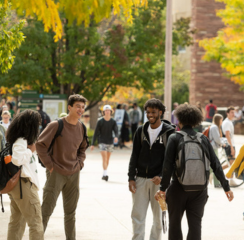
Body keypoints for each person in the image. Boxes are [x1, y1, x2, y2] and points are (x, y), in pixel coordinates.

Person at [156, 104, 233, 240]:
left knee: (175, 225)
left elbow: (167, 166)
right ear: (196, 121)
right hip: (199, 191)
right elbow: (216, 164)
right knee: (195, 226)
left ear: (179, 120)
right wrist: (226, 187)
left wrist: (162, 189)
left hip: (178, 189)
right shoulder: (203, 139)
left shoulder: (174, 138)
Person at [36, 94, 89, 239]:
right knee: (45, 211)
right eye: (78, 106)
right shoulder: (56, 125)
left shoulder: (82, 127)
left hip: (74, 174)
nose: (81, 109)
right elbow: (40, 145)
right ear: (70, 107)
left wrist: (80, 163)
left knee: (71, 214)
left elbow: (83, 148)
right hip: (56, 173)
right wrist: (50, 166)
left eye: (83, 107)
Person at [128, 98, 175, 240]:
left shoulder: (169, 133)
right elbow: (134, 155)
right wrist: (131, 177)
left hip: (159, 183)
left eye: (153, 112)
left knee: (159, 218)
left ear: (160, 112)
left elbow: (171, 160)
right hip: (141, 179)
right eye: (148, 112)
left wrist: (162, 176)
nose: (150, 115)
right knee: (137, 216)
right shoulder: (140, 131)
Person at [6, 109, 44, 240]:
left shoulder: (20, 140)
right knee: (36, 224)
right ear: (30, 125)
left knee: (17, 222)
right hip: (24, 185)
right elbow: (17, 160)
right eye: (37, 124)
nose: (38, 127)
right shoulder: (21, 141)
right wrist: (30, 150)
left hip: (20, 186)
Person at [91, 105, 118, 181]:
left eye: (108, 110)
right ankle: (105, 174)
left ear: (110, 112)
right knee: (104, 158)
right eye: (106, 110)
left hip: (110, 142)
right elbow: (96, 133)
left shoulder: (113, 121)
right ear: (103, 112)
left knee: (107, 160)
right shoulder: (100, 121)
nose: (107, 112)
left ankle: (104, 173)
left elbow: (116, 130)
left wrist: (116, 137)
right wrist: (92, 144)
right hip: (102, 141)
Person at [222, 106, 239, 186]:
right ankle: (231, 180)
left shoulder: (229, 122)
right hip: (229, 145)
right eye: (231, 112)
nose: (233, 114)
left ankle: (214, 172)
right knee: (232, 163)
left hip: (230, 144)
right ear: (227, 113)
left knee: (230, 163)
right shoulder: (227, 122)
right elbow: (227, 135)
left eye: (234, 112)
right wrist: (232, 147)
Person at [209, 114, 225, 187]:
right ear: (218, 120)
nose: (222, 121)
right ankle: (216, 183)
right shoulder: (215, 127)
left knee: (215, 166)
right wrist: (222, 143)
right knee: (215, 166)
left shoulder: (214, 126)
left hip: (213, 147)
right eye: (221, 120)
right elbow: (217, 139)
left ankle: (216, 183)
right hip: (213, 147)